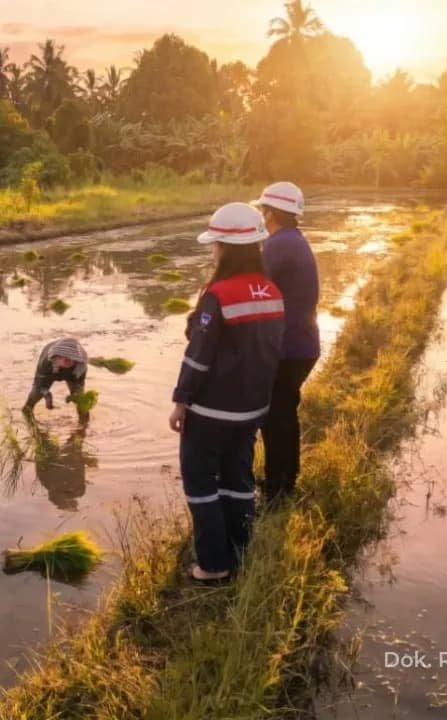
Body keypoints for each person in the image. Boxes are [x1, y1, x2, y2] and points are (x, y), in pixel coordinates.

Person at [169, 202, 285, 583]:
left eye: (215, 245)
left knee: (200, 482)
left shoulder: (218, 295)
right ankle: (240, 550)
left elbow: (199, 356)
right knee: (238, 480)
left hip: (212, 411)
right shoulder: (271, 290)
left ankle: (213, 565)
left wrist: (181, 400)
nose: (213, 251)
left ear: (225, 248)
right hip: (253, 409)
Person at [257, 181, 320, 508]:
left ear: (271, 213)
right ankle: (286, 479)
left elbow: (253, 285)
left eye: (263, 210)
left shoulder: (278, 245)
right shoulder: (293, 240)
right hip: (302, 346)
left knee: (274, 418)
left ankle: (276, 492)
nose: (261, 215)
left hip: (288, 349)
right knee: (284, 414)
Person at [22, 338, 89, 415]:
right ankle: (27, 411)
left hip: (73, 372)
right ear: (55, 358)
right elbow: (40, 383)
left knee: (81, 401)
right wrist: (47, 394)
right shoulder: (47, 362)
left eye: (70, 359)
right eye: (63, 359)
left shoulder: (80, 365)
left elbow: (78, 384)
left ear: (76, 359)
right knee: (36, 394)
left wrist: (74, 396)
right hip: (50, 370)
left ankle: (84, 421)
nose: (66, 361)